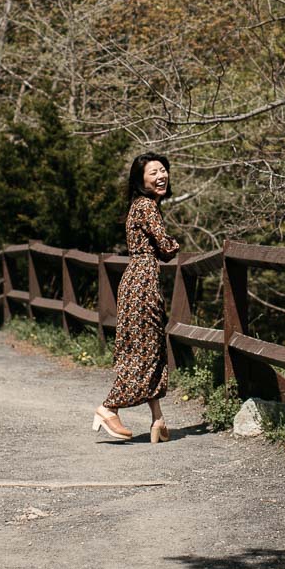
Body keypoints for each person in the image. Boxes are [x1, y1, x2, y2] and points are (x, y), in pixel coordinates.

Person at [94, 152, 179, 442]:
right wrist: (175, 243)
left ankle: (158, 421)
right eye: (153, 172)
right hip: (143, 283)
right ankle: (108, 407)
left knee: (148, 349)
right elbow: (166, 248)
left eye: (163, 170)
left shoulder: (141, 205)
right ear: (141, 180)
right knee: (144, 352)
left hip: (137, 281)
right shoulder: (146, 206)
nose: (161, 175)